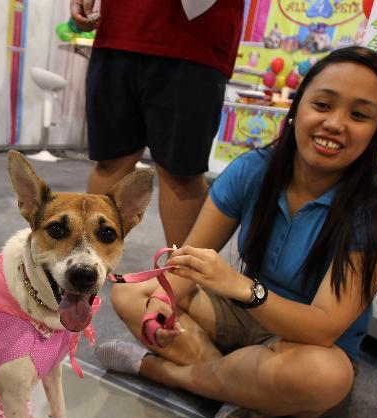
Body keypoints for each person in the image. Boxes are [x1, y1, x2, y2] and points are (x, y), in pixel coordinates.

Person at [95, 46, 377, 418]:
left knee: (325, 378)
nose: (335, 124)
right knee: (132, 294)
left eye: (359, 115)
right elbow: (184, 265)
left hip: (307, 343)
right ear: (296, 110)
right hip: (243, 319)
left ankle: (165, 372)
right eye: (323, 105)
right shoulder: (254, 169)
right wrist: (164, 302)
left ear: (376, 130)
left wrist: (245, 289)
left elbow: (325, 329)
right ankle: (245, 391)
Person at [69, 0, 245, 248]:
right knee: (110, 162)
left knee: (181, 172)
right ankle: (85, 266)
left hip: (194, 37)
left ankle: (183, 281)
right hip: (118, 32)